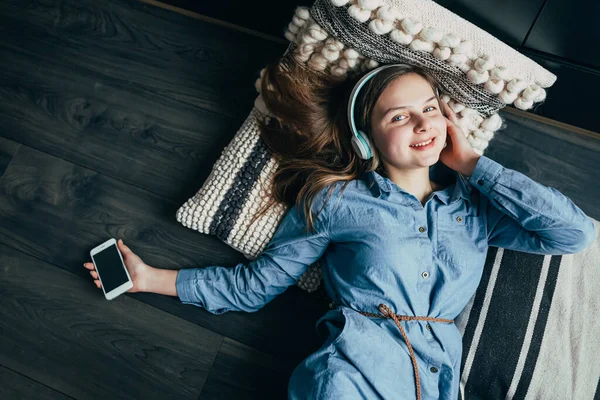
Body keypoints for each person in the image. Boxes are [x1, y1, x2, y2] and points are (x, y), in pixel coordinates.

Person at [83, 57, 596, 399]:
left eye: (430, 110)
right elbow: (256, 285)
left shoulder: (476, 208)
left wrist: (475, 166)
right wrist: (148, 278)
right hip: (352, 373)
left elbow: (571, 234)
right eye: (399, 117)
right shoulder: (336, 201)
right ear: (366, 138)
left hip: (439, 381)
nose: (422, 124)